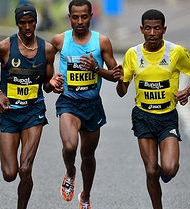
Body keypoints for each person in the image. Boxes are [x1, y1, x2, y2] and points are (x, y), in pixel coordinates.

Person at [116, 9, 190, 209]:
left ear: (164, 29)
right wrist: (120, 80)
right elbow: (122, 92)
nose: (153, 33)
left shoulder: (176, 52)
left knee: (170, 168)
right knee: (150, 171)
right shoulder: (133, 54)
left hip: (167, 117)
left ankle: (164, 173)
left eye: (157, 28)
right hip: (143, 116)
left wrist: (187, 91)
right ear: (142, 29)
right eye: (148, 28)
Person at [0, 3, 61, 209]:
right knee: (9, 174)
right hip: (9, 114)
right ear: (17, 24)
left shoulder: (47, 49)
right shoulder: (5, 47)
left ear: (36, 22)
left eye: (31, 22)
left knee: (25, 169)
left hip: (33, 112)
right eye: (22, 23)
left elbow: (47, 84)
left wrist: (50, 84)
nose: (27, 27)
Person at [50, 0, 122, 208]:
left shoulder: (102, 42)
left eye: (84, 17)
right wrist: (50, 81)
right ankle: (70, 171)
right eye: (75, 17)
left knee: (88, 155)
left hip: (92, 105)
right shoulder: (59, 41)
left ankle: (86, 196)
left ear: (91, 16)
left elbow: (116, 74)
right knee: (70, 145)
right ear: (69, 18)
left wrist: (96, 69)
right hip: (68, 102)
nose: (80, 21)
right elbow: (43, 64)